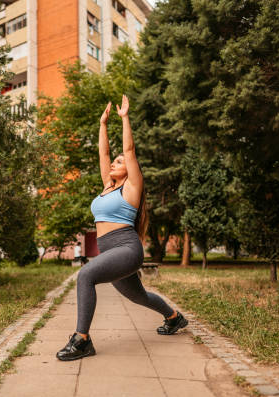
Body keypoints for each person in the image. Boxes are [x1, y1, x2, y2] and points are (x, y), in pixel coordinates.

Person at [56, 95, 188, 361]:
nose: (114, 163)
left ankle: (82, 340)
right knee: (138, 296)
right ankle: (174, 318)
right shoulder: (108, 186)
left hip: (126, 249)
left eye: (119, 162)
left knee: (85, 276)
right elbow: (103, 153)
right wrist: (102, 124)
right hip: (111, 252)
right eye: (114, 162)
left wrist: (125, 117)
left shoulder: (132, 186)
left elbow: (129, 151)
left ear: (130, 169)